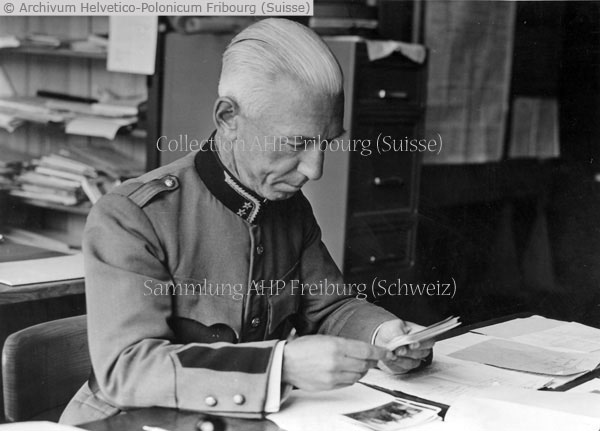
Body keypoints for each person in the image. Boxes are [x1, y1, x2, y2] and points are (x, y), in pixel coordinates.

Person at [60, 18, 433, 425]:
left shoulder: (289, 208)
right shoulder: (133, 215)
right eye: (297, 142)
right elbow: (128, 369)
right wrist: (280, 366)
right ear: (228, 118)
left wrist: (385, 335)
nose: (315, 169)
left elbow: (330, 308)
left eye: (325, 143)